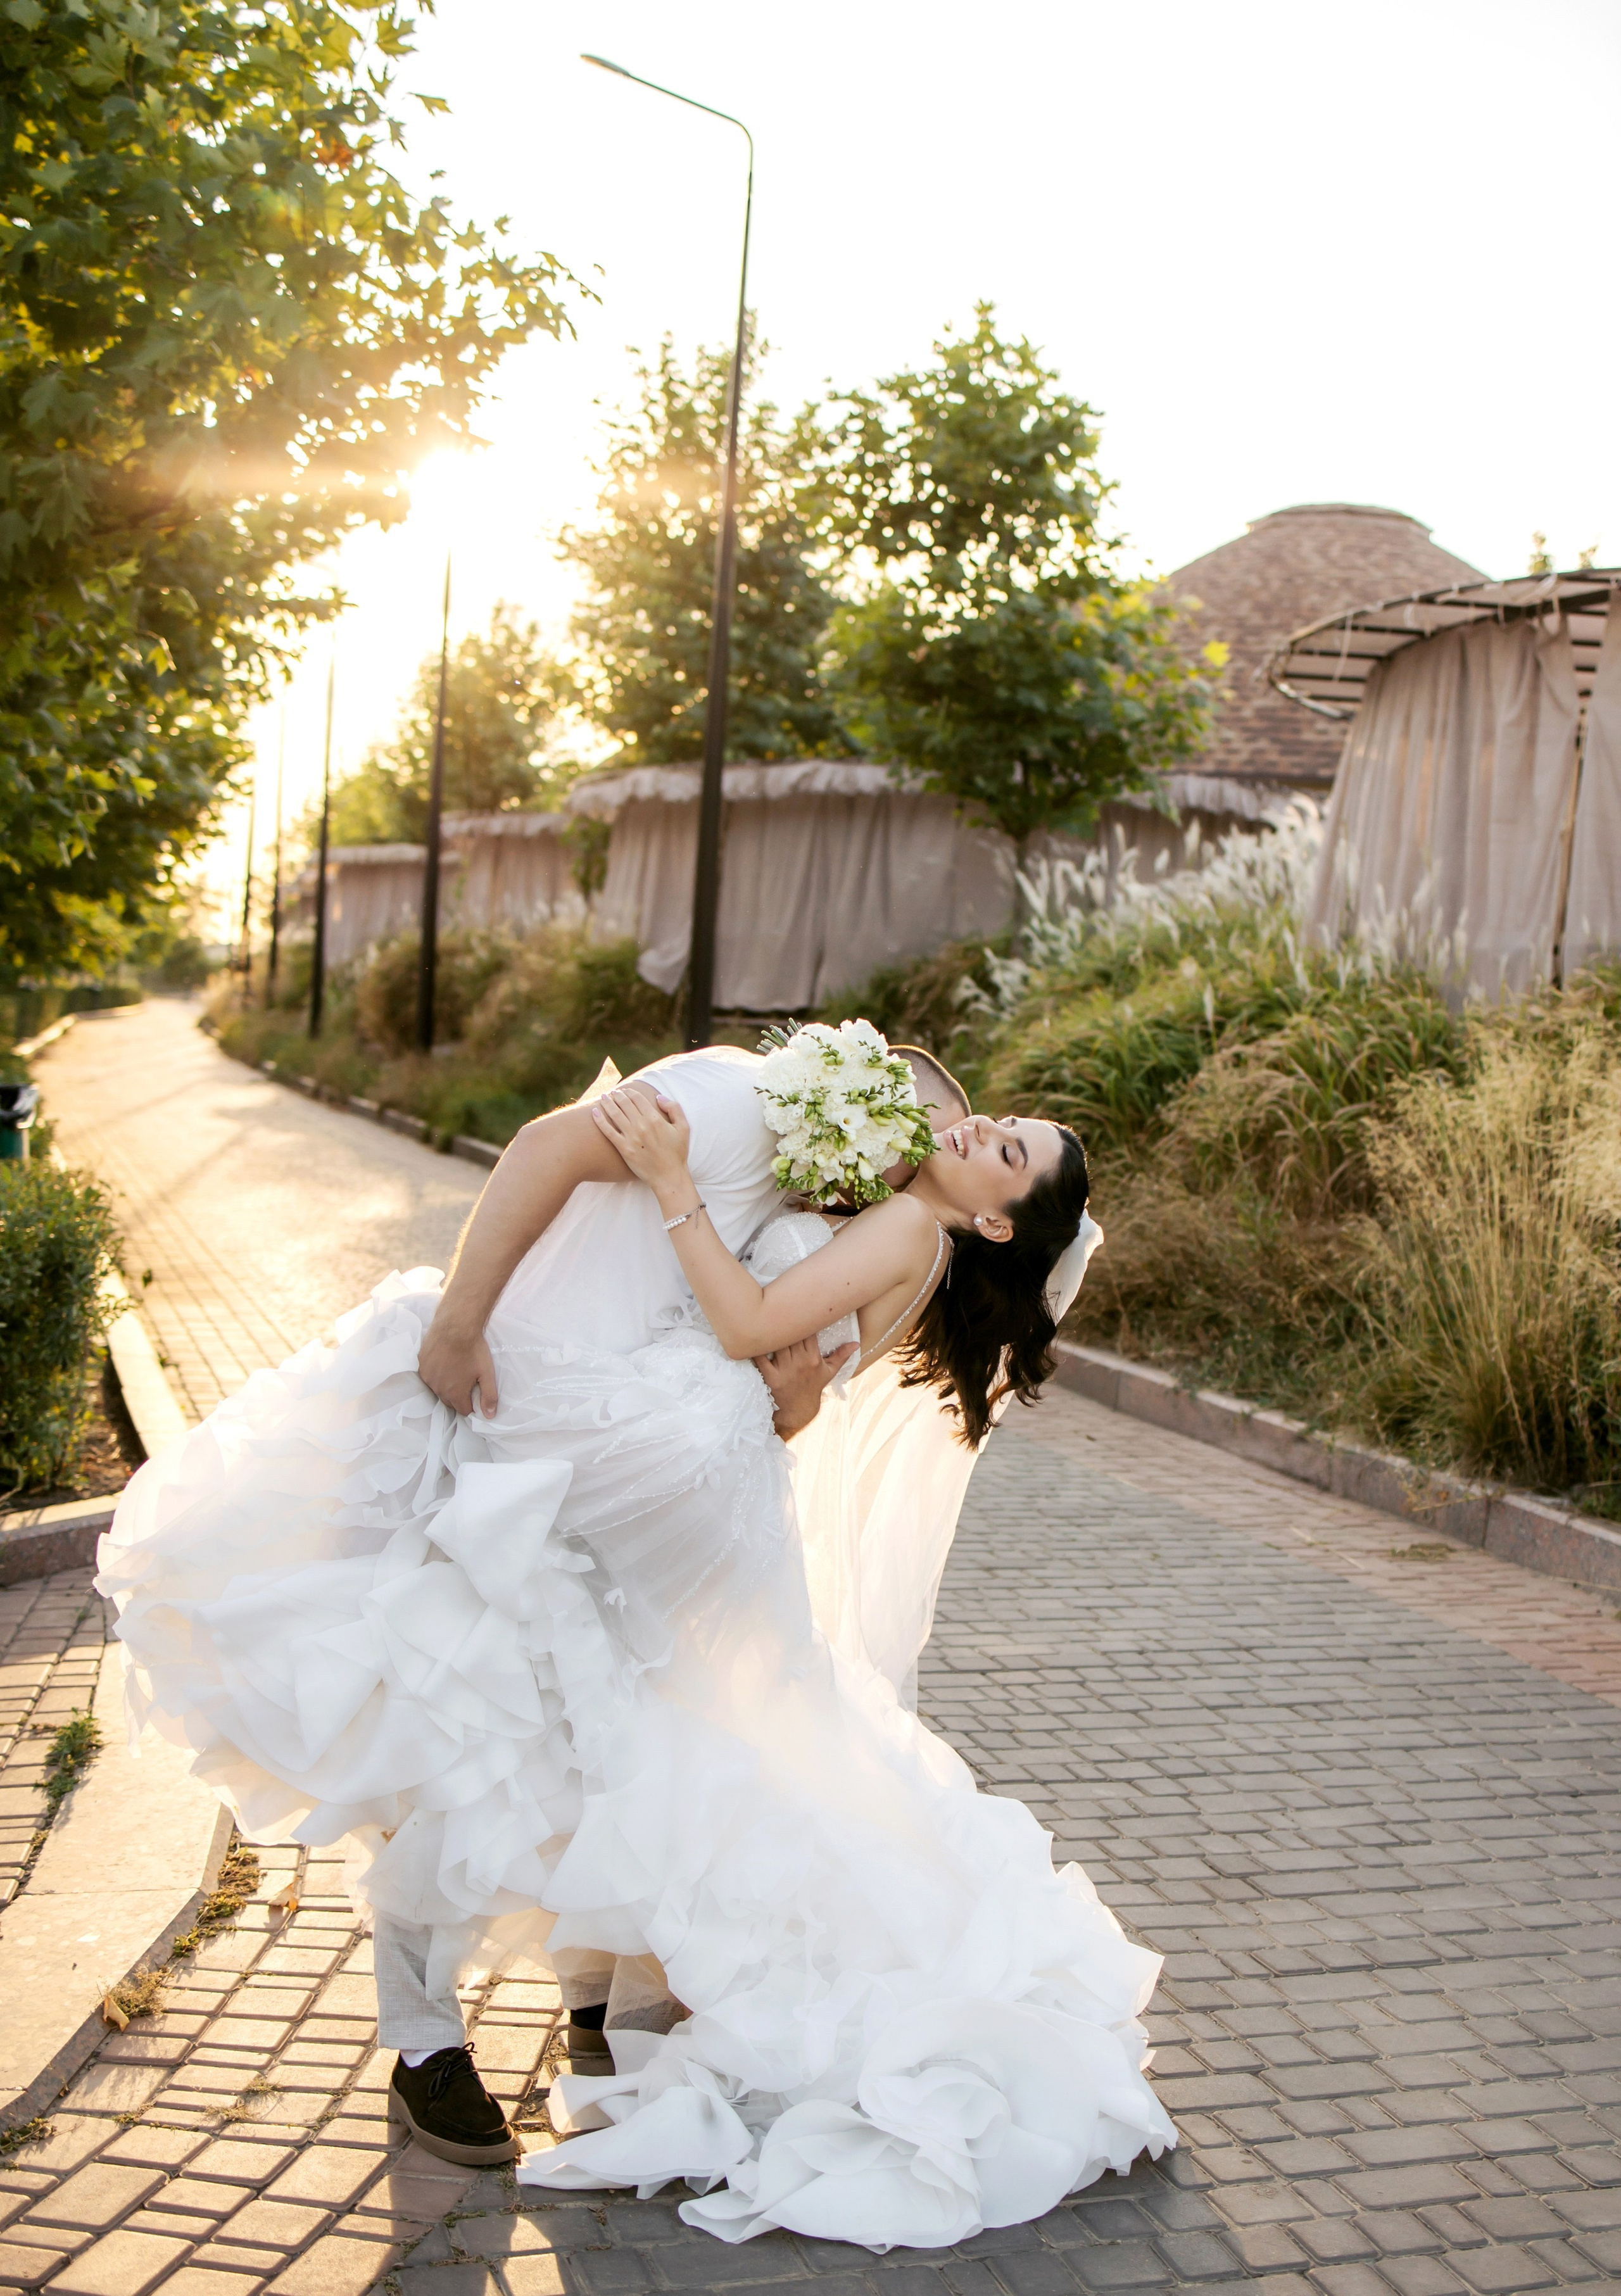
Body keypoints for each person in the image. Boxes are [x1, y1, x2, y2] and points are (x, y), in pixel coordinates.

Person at [98, 1037, 1170, 2252]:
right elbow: (704, 1283)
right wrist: (480, 1318)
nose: (967, 1132)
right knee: (463, 1720)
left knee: (611, 1742)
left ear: (992, 1219)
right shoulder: (754, 1120)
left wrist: (759, 1323)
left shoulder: (875, 1211)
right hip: (575, 1444)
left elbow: (766, 1341)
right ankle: (457, 2031)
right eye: (975, 1117)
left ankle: (597, 1998)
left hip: (644, 1483)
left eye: (1002, 1144)